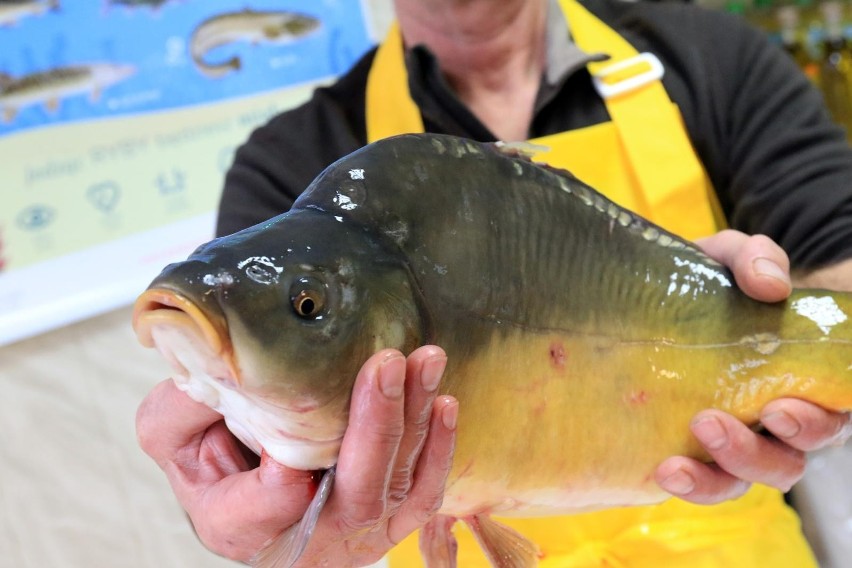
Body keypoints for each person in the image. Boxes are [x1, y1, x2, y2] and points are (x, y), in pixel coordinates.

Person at [136, 0, 852, 565]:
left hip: (728, 543)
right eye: (310, 303)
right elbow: (251, 452)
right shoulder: (288, 157)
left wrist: (784, 316)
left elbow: (837, 241)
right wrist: (236, 506)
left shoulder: (709, 56)